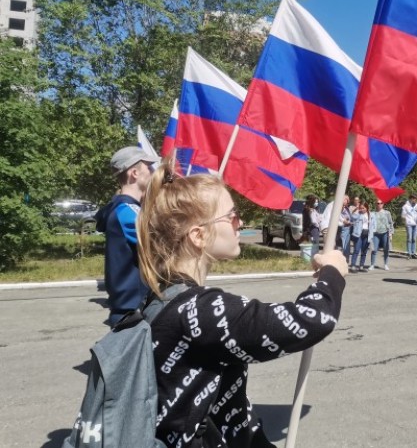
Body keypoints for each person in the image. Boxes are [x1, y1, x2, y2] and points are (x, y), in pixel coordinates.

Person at [136, 157, 347, 448]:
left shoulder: (162, 295)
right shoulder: (200, 310)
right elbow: (311, 320)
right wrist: (333, 273)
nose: (241, 223)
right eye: (232, 216)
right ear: (198, 235)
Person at [94, 146, 158, 326]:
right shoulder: (127, 212)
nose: (153, 172)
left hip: (133, 309)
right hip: (133, 312)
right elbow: (163, 245)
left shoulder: (124, 208)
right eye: (148, 167)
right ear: (134, 173)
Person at [369, 200, 395, 271]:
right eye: (378, 203)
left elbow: (390, 223)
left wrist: (391, 233)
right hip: (376, 233)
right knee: (374, 249)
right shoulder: (373, 213)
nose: (379, 204)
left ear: (383, 204)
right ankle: (372, 265)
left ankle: (386, 264)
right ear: (376, 204)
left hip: (385, 233)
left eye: (381, 203)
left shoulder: (387, 213)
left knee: (386, 249)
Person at [349, 201, 370, 272]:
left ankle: (361, 266)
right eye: (361, 208)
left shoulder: (370, 215)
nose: (362, 209)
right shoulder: (358, 214)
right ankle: (353, 266)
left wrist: (372, 232)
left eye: (363, 208)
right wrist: (356, 209)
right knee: (356, 250)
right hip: (359, 234)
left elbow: (374, 224)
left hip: (367, 234)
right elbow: (352, 217)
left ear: (367, 208)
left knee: (364, 251)